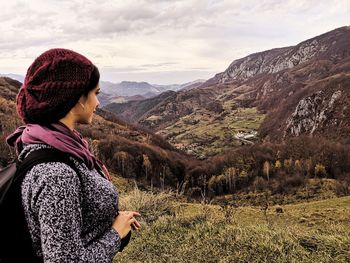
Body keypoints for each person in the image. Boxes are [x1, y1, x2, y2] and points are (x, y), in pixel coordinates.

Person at [5, 48, 141, 262]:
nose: (98, 103)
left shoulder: (58, 144)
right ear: (77, 97)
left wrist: (106, 217)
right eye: (95, 93)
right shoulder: (56, 175)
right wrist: (116, 234)